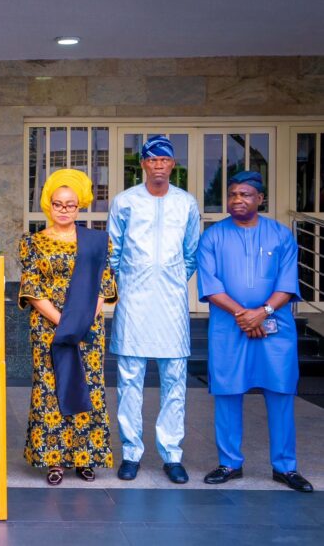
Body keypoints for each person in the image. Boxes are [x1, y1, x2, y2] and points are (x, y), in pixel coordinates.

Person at [197, 171, 313, 493]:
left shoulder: (280, 235)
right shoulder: (213, 236)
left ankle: (285, 467)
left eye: (245, 194)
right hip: (228, 326)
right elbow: (210, 285)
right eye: (232, 194)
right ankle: (229, 463)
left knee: (280, 392)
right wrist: (244, 315)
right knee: (227, 392)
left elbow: (287, 283)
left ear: (260, 199)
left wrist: (262, 313)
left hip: (275, 327)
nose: (237, 199)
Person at [107, 135, 200, 484]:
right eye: (152, 159)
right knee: (129, 379)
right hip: (133, 302)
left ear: (172, 164)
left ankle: (172, 455)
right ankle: (131, 453)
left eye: (164, 160)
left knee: (174, 380)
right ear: (143, 164)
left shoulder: (186, 203)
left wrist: (169, 280)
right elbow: (113, 253)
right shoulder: (125, 202)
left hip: (172, 305)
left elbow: (190, 254)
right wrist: (133, 283)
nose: (158, 165)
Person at [19, 169, 115, 485]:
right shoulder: (33, 242)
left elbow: (104, 285)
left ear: (80, 206)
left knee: (88, 386)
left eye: (70, 205)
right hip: (49, 328)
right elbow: (32, 287)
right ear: (49, 204)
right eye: (58, 204)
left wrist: (82, 321)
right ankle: (54, 460)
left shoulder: (97, 241)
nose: (63, 210)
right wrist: (64, 322)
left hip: (88, 329)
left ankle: (84, 458)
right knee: (50, 389)